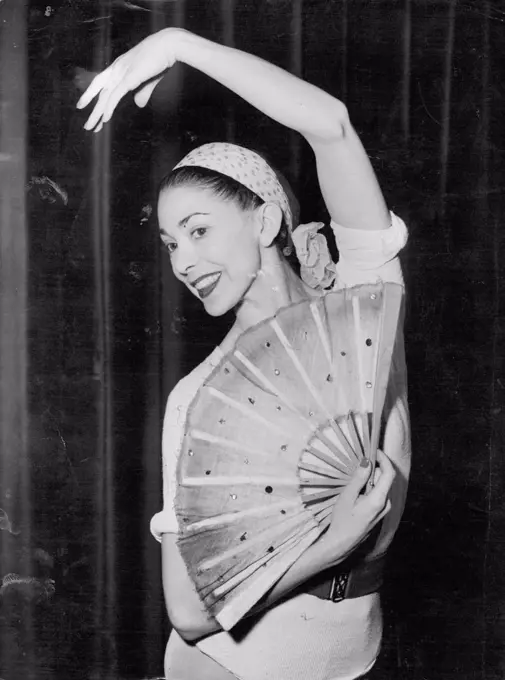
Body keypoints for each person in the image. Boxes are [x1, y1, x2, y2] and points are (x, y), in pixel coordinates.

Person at [77, 27, 411, 680]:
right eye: (171, 244)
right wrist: (334, 545)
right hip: (229, 667)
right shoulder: (201, 396)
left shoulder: (363, 299)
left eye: (199, 231)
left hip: (358, 658)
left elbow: (331, 127)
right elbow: (189, 611)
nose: (184, 261)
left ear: (263, 223)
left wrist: (178, 42)